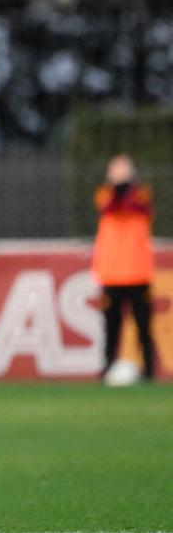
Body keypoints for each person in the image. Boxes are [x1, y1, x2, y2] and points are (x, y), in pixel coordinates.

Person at [91, 154, 156, 382]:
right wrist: (116, 186)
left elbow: (136, 206)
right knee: (111, 326)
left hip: (138, 272)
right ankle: (108, 366)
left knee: (143, 325)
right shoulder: (104, 194)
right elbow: (110, 207)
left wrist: (126, 185)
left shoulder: (140, 193)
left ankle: (149, 369)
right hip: (111, 274)